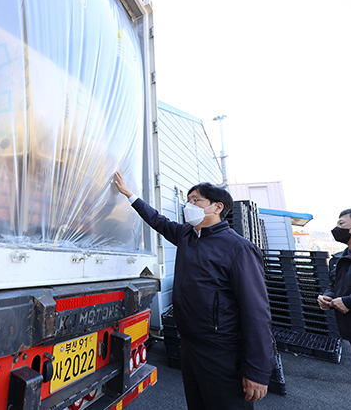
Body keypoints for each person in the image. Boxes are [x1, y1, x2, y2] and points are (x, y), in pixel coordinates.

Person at [114, 172, 274, 410]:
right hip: (190, 345)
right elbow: (157, 220)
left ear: (217, 207)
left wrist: (258, 371)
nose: (188, 205)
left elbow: (256, 311)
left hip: (221, 352)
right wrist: (130, 195)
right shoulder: (187, 236)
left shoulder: (238, 248)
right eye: (188, 201)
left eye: (195, 200)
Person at [318, 208, 351, 386]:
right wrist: (327, 297)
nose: (337, 229)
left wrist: (349, 302)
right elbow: (335, 286)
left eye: (342, 224)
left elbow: (348, 297)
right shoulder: (339, 259)